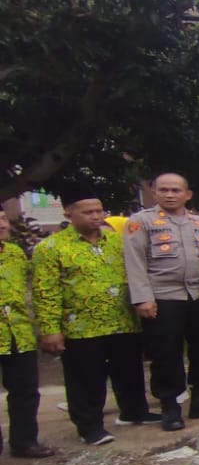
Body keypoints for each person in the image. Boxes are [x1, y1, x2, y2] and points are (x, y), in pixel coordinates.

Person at [32, 184, 150, 445]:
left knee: (129, 369)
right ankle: (90, 426)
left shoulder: (117, 242)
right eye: (88, 212)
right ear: (68, 214)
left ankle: (134, 411)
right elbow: (45, 291)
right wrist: (50, 329)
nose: (96, 217)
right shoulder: (51, 248)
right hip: (81, 326)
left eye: (99, 211)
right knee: (86, 378)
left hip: (122, 320)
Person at [123, 171, 199, 430]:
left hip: (198, 295)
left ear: (187, 194)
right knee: (165, 354)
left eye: (176, 190)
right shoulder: (140, 222)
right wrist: (143, 298)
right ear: (154, 192)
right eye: (164, 190)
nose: (170, 195)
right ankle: (170, 406)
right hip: (163, 296)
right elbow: (134, 262)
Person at [0, 211, 57, 458]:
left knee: (25, 390)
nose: (2, 225)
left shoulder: (14, 253)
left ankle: (24, 441)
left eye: (3, 219)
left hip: (19, 333)